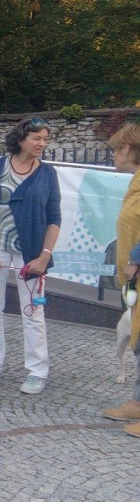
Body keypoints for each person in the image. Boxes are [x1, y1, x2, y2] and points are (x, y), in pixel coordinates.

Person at [0, 117, 61, 396]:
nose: (42, 144)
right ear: (21, 139)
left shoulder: (48, 173)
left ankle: (36, 371)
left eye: (45, 139)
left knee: (32, 312)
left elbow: (54, 218)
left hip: (31, 253)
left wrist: (44, 256)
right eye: (37, 138)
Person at [102, 122, 140, 437]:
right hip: (135, 278)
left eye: (115, 148)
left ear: (128, 148)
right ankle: (139, 403)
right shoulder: (136, 182)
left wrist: (136, 258)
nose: (113, 154)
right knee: (138, 342)